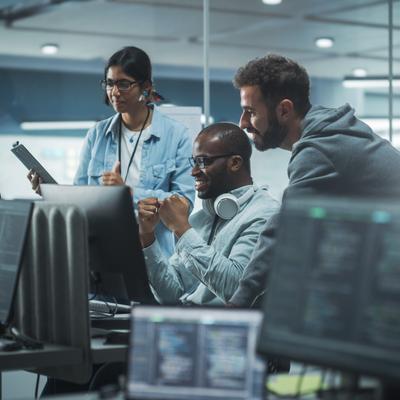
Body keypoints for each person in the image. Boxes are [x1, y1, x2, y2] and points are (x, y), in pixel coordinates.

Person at [229, 54, 400, 307]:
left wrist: (237, 302)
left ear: (284, 110)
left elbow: (282, 230)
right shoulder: (331, 129)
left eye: (250, 112)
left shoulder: (318, 150)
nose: (243, 123)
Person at [28, 46, 194, 257]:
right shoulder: (97, 135)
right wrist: (49, 190)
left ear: (146, 87)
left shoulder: (176, 135)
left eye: (124, 84)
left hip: (153, 257)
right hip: (101, 252)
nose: (114, 92)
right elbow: (82, 200)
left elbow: (183, 206)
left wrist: (128, 193)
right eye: (109, 83)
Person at [138, 122, 279, 305]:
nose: (194, 172)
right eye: (194, 162)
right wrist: (147, 236)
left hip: (228, 329)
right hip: (190, 323)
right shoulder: (201, 218)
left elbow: (236, 289)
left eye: (204, 162)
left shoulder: (265, 214)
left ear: (235, 163)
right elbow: (172, 294)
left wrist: (182, 229)